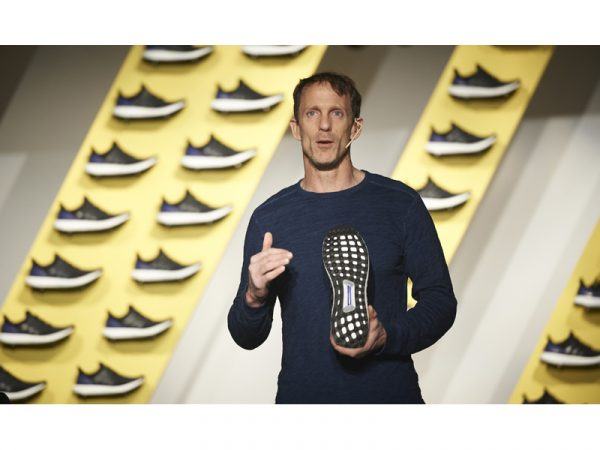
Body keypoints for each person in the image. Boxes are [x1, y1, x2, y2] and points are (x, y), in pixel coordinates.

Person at [227, 72, 457, 403]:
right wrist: (254, 296)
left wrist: (386, 337)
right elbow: (246, 336)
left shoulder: (400, 204)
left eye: (336, 113)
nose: (324, 125)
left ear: (355, 127)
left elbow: (440, 302)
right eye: (312, 113)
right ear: (296, 128)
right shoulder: (270, 218)